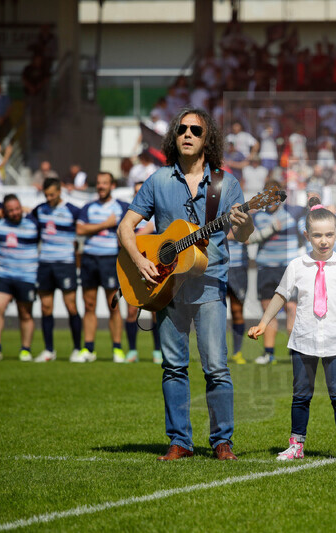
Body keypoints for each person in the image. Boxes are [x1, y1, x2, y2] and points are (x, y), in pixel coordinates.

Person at [118, 106, 254, 462]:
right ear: (173, 137)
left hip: (210, 284)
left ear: (207, 138)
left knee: (216, 367)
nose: (188, 134)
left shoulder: (227, 183)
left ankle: (222, 442)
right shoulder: (158, 181)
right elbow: (124, 227)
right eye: (182, 129)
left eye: (196, 129)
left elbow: (242, 235)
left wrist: (243, 223)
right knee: (173, 366)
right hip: (168, 287)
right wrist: (140, 261)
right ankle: (180, 441)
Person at [248, 197, 336, 463]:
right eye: (318, 235)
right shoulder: (297, 265)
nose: (324, 241)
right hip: (303, 340)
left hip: (335, 342)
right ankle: (296, 444)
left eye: (329, 235)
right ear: (306, 235)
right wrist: (263, 322)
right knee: (300, 396)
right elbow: (280, 296)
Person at [75, 172, 128, 363]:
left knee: (113, 305)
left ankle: (117, 349)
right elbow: (80, 229)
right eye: (98, 183)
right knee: (89, 305)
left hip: (110, 260)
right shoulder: (88, 207)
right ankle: (88, 348)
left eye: (105, 183)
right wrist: (106, 224)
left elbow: (133, 228)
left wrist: (94, 227)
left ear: (112, 185)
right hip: (89, 259)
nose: (101, 186)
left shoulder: (121, 207)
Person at [0, 195, 40, 362]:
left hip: (27, 276)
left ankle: (25, 350)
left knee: (25, 314)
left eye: (17, 209)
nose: (15, 213)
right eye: (11, 210)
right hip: (4, 275)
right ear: (4, 211)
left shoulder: (33, 223)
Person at [31, 177, 82, 362]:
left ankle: (77, 348)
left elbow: (83, 230)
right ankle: (49, 350)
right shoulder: (40, 210)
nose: (49, 198)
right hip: (45, 263)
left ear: (60, 191)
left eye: (52, 194)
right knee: (45, 307)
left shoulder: (72, 210)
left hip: (65, 263)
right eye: (46, 195)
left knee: (71, 306)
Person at [250, 179, 299, 365]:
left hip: (286, 269)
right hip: (265, 268)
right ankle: (269, 354)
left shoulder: (292, 214)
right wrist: (271, 229)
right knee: (267, 312)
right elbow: (249, 239)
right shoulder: (257, 217)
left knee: (292, 309)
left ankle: (296, 353)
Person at [124, 180, 161, 364]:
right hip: (131, 267)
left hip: (154, 266)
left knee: (155, 310)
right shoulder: (128, 217)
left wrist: (132, 238)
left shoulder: (156, 216)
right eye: (136, 191)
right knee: (131, 310)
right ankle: (132, 351)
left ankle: (157, 351)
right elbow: (121, 238)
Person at [226, 233, 248, 365]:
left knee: (237, 311)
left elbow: (248, 236)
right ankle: (216, 353)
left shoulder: (245, 213)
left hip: (239, 267)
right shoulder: (215, 213)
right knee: (216, 311)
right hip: (218, 265)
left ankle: (237, 352)